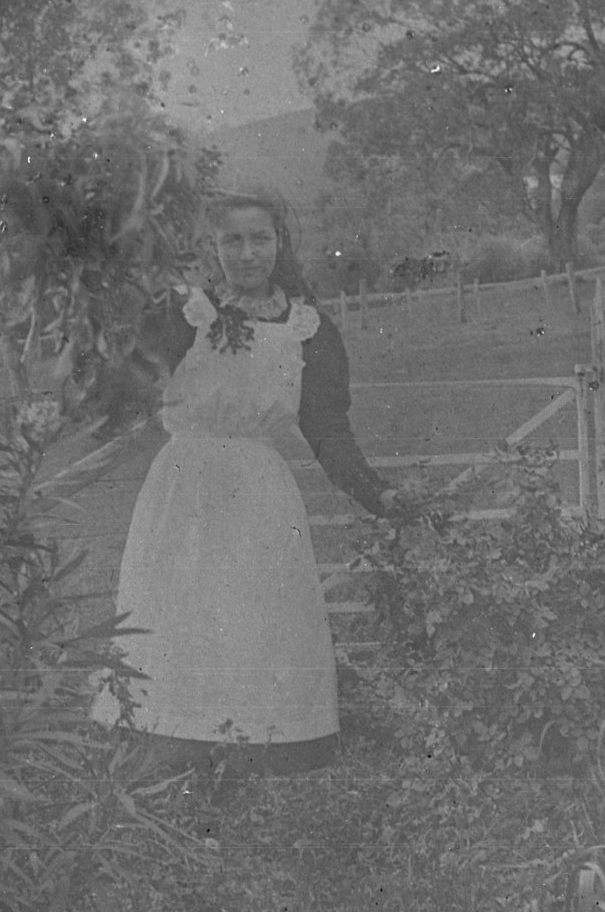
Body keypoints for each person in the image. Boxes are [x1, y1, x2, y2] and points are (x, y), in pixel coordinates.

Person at [90, 189, 394, 775]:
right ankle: (172, 745)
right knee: (179, 612)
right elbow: (124, 386)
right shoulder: (184, 311)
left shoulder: (308, 328)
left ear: (280, 243)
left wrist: (377, 492)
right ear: (213, 247)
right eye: (233, 240)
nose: (248, 253)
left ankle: (265, 746)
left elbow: (328, 429)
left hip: (258, 488)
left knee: (259, 613)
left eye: (261, 238)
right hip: (186, 485)